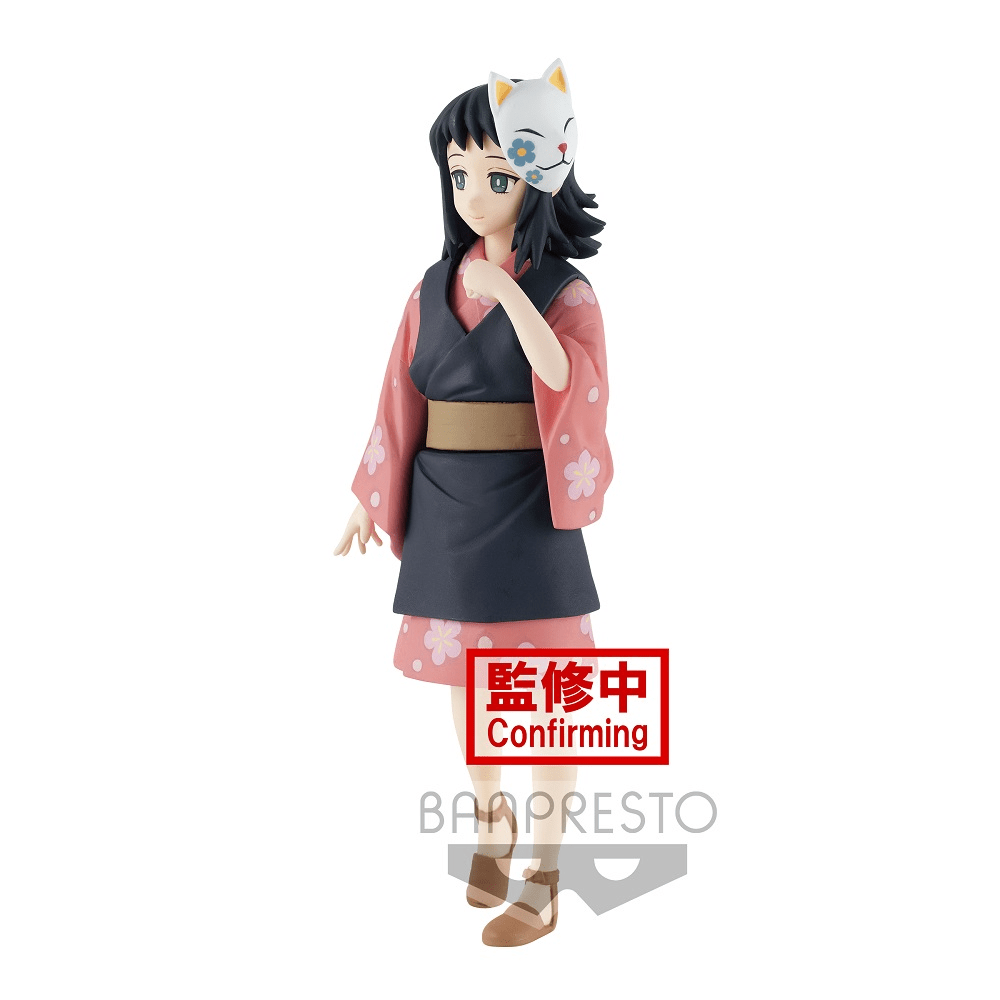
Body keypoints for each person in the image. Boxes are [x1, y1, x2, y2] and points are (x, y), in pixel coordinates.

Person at [335, 66, 611, 946]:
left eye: (495, 174)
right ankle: (493, 823)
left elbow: (568, 380)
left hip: (529, 508)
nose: (472, 192)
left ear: (538, 178)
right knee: (466, 683)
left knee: (548, 699)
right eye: (459, 173)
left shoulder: (566, 291)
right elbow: (399, 396)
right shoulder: (431, 288)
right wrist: (370, 493)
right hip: (448, 506)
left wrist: (513, 297)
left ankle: (547, 874)